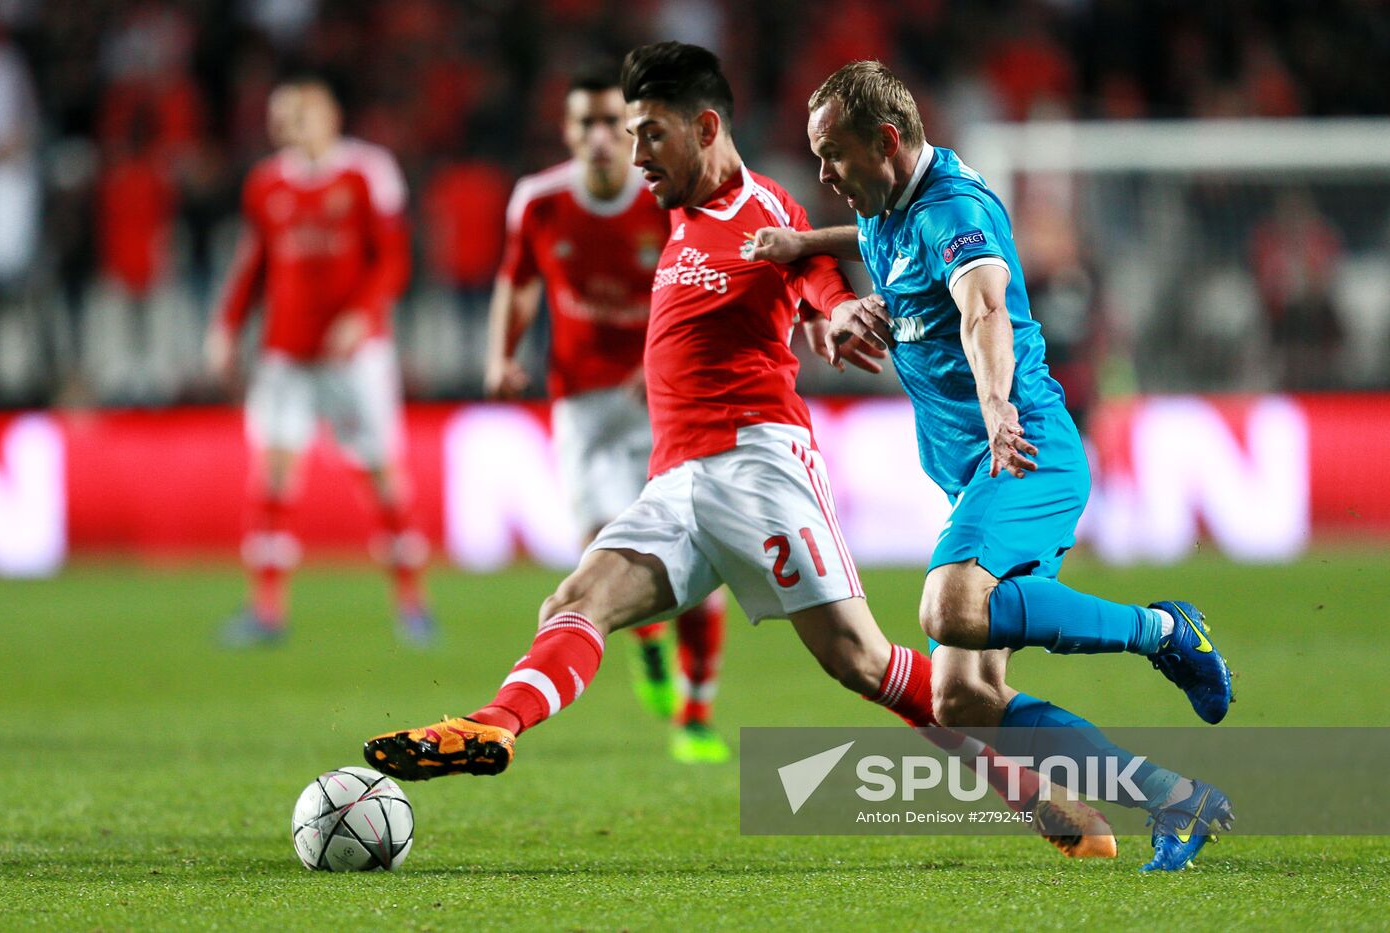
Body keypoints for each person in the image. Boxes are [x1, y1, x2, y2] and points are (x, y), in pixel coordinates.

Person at [365, 42, 1115, 860]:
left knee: (863, 662)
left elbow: (818, 274)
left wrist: (833, 315)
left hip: (759, 466)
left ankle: (1041, 789)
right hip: (678, 474)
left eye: (650, 134)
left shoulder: (763, 209)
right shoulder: (682, 220)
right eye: (627, 132)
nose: (634, 152)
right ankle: (494, 724)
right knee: (574, 601)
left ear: (706, 126)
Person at [750, 60, 1235, 871]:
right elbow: (880, 239)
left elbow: (982, 308)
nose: (824, 173)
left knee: (949, 604)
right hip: (973, 474)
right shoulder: (892, 197)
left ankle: (1162, 629)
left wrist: (998, 406)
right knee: (962, 694)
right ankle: (1175, 798)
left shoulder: (957, 212)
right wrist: (808, 244)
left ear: (888, 140)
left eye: (832, 154)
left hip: (1026, 453)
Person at [487, 63, 731, 763]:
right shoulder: (538, 200)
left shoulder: (666, 197)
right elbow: (518, 282)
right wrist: (501, 353)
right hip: (583, 406)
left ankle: (695, 712)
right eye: (584, 123)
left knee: (697, 561)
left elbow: (708, 289)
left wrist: (656, 366)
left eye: (610, 123)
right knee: (603, 552)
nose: (598, 136)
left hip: (668, 401)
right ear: (566, 132)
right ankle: (648, 645)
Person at [205, 75, 433, 647]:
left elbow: (394, 259)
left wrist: (362, 314)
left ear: (330, 116)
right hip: (286, 352)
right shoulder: (265, 183)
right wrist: (227, 326)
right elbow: (255, 263)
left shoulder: (366, 172)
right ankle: (266, 610)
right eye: (279, 116)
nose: (286, 126)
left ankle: (412, 605)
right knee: (274, 474)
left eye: (299, 114)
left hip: (355, 358)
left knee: (380, 473)